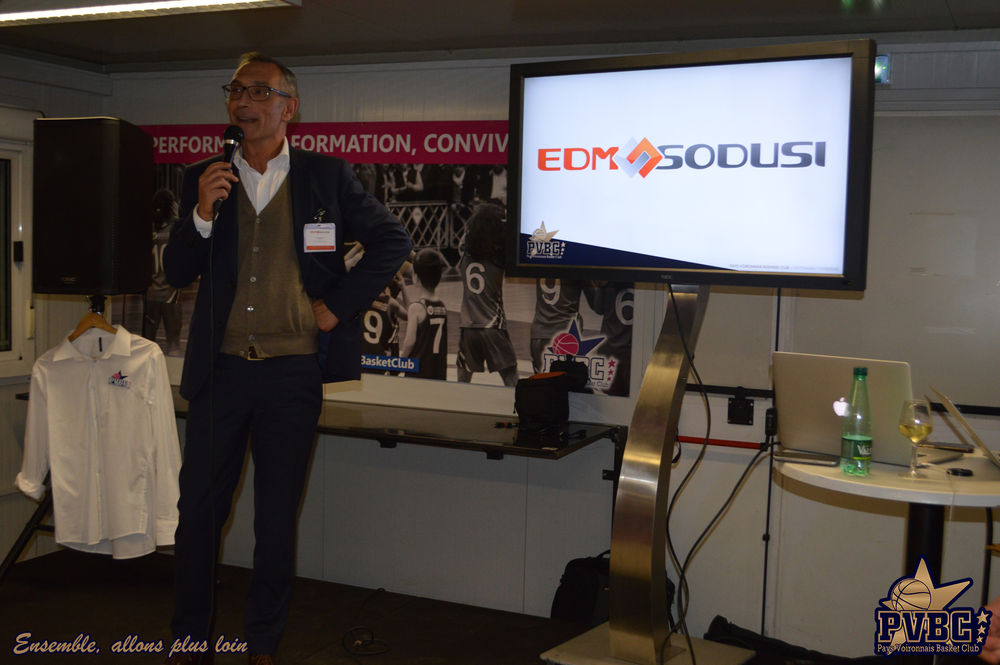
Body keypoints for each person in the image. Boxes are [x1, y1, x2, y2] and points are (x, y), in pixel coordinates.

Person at [162, 52, 411, 665]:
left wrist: (337, 307)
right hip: (220, 374)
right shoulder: (205, 176)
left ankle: (262, 644)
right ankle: (191, 639)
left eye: (258, 92)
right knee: (197, 514)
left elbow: (393, 240)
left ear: (288, 108)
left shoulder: (325, 177)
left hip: (291, 375)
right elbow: (176, 271)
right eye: (234, 90)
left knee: (275, 521)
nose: (242, 102)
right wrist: (200, 215)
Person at [455, 201, 518, 387]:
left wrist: (477, 220)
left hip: (468, 326)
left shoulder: (464, 254)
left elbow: (466, 236)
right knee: (511, 380)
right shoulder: (499, 258)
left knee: (462, 383)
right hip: (493, 326)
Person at [144, 188, 183, 355]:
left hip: (151, 292)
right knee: (173, 344)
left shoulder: (149, 228)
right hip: (170, 294)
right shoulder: (176, 228)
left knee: (146, 344)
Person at [399, 248, 448, 380]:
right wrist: (403, 288)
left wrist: (400, 364)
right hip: (438, 371)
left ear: (415, 277)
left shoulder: (417, 308)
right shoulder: (442, 307)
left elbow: (409, 342)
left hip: (419, 373)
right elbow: (414, 311)